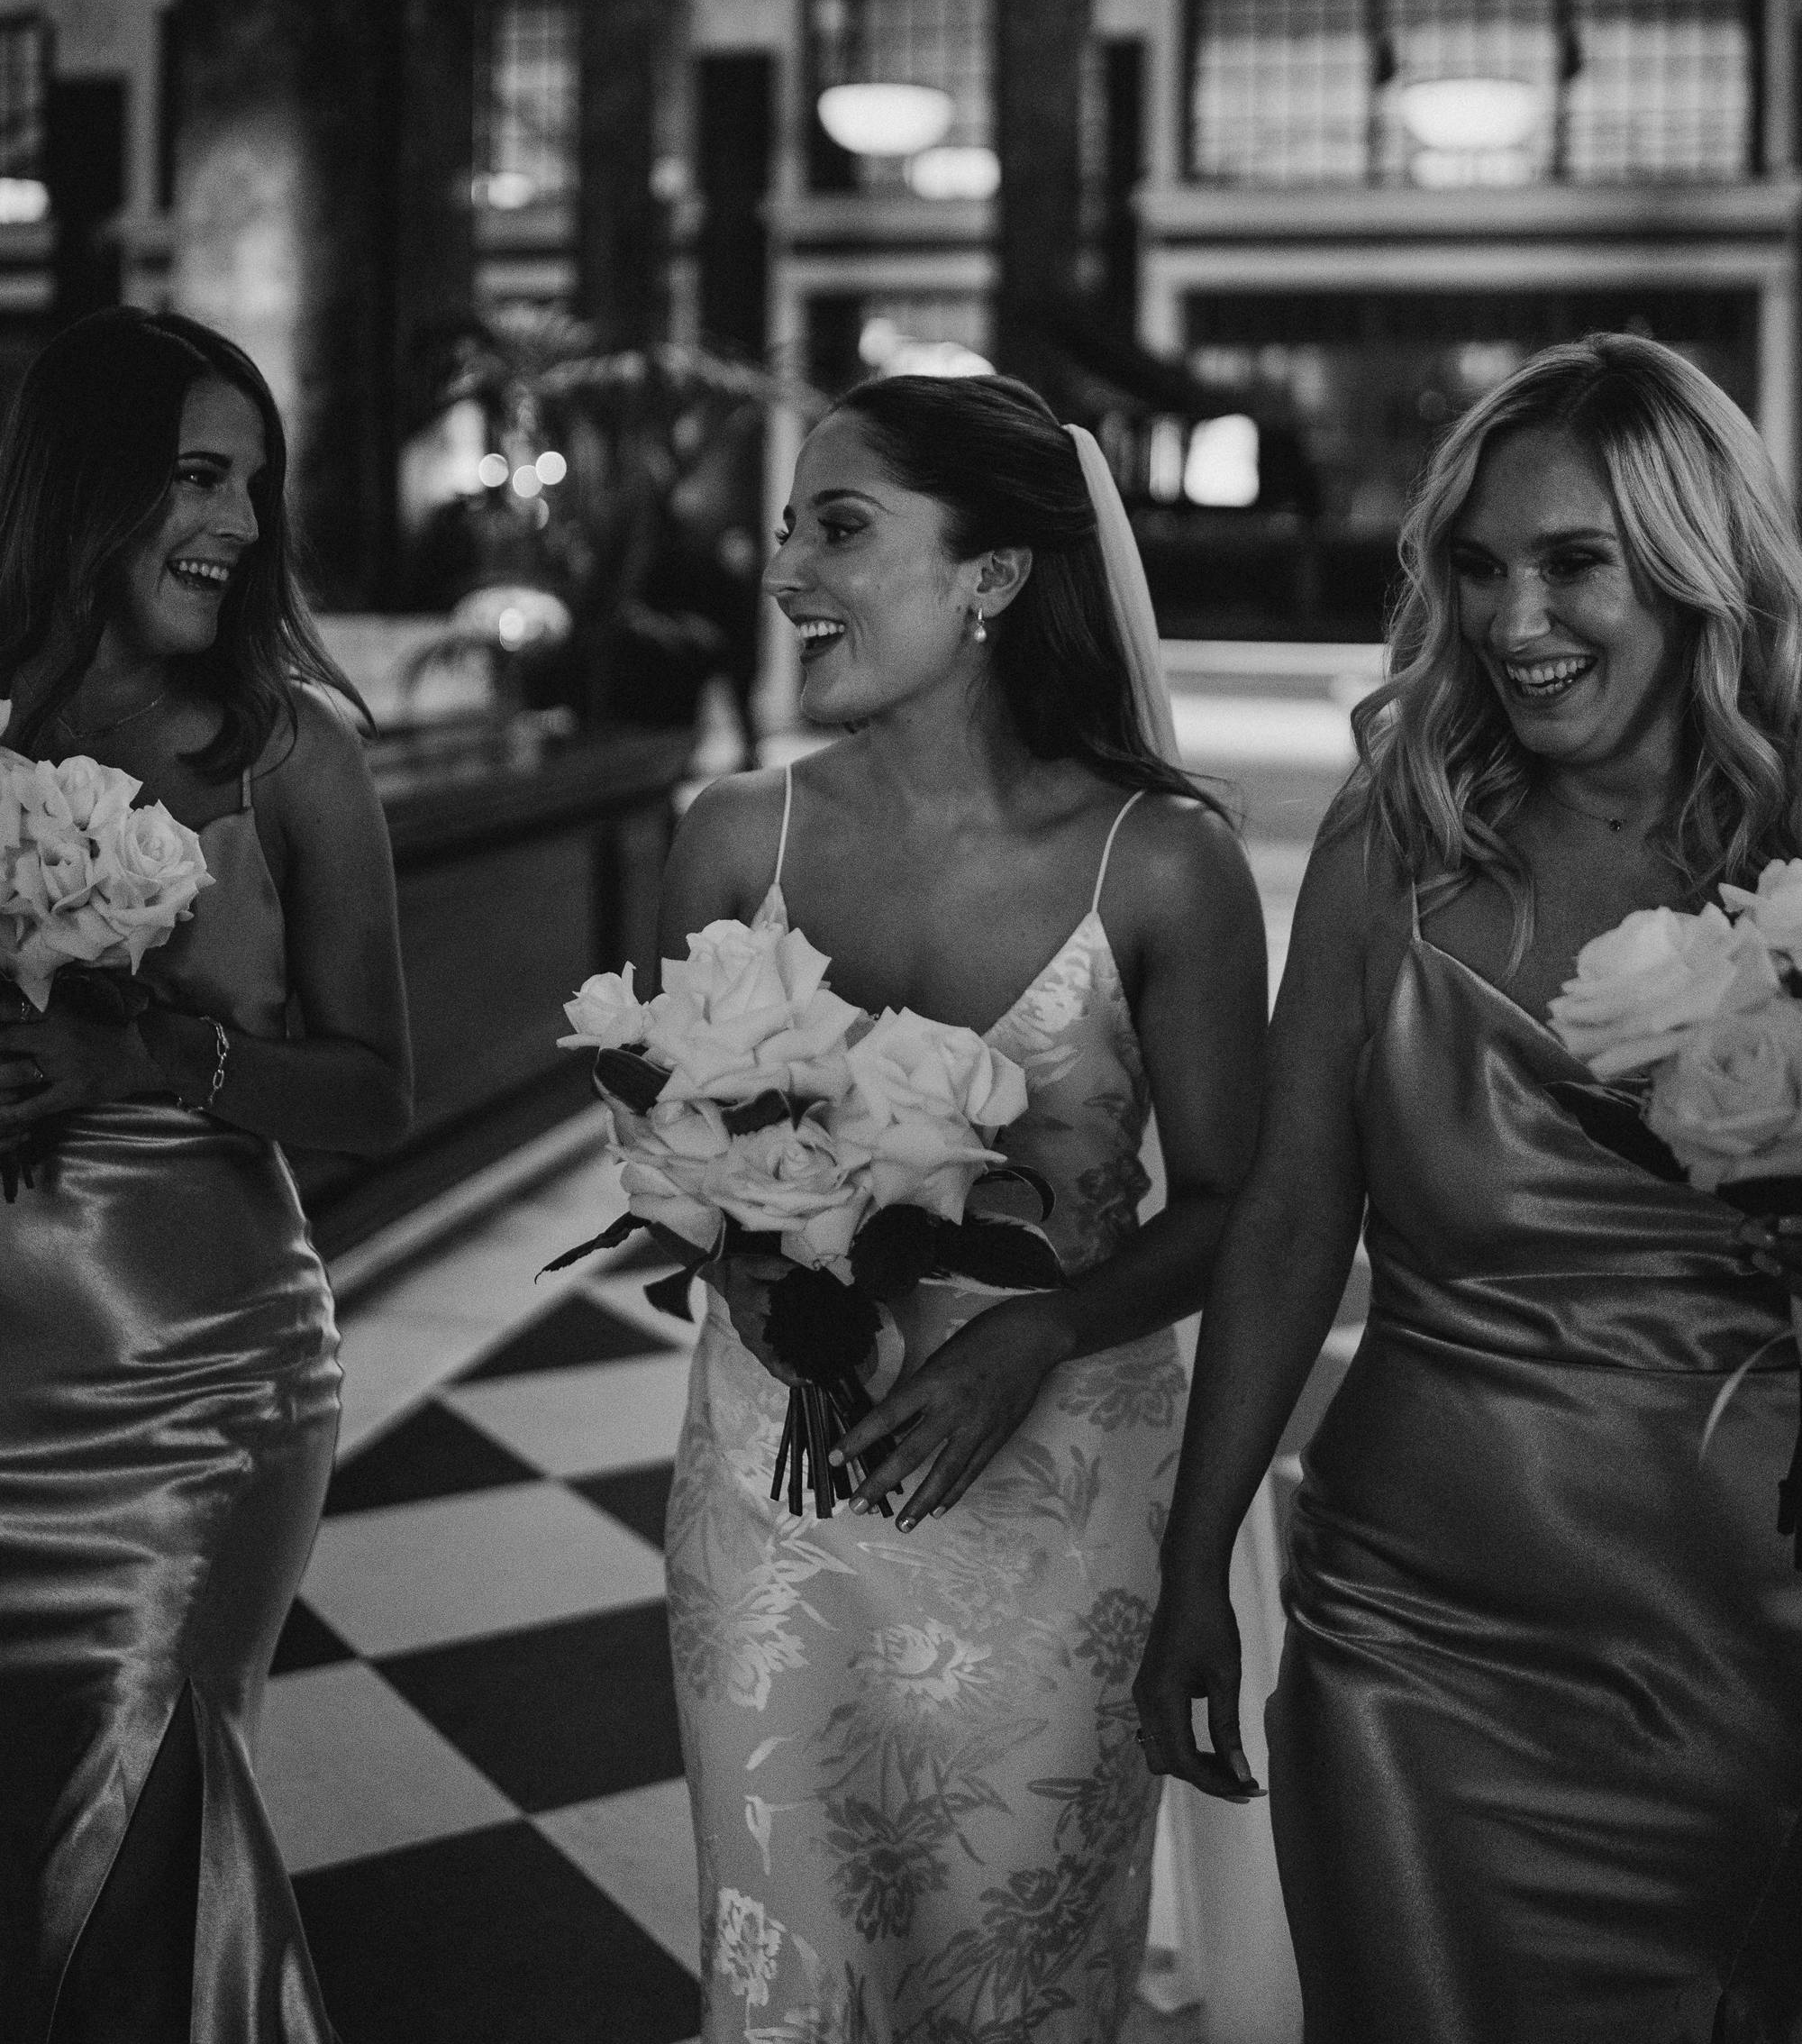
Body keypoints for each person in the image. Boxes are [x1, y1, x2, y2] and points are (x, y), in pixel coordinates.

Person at [1134, 335, 1802, 2044]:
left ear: (1693, 567)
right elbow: (1289, 1215)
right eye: (1479, 567)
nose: (1516, 623)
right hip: (1420, 1631)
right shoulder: (1398, 832)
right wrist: (1197, 1559)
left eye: (1574, 564)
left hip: (1756, 1635)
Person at [659, 372, 1268, 2043]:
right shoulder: (730, 840)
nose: (789, 569)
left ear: (994, 575)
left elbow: (1239, 1204)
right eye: (787, 529)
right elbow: (670, 1154)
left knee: (1020, 1972)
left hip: (1060, 1503)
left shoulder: (1161, 863)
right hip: (774, 1495)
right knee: (785, 1970)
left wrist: (1043, 1331)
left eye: (841, 527)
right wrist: (759, 1277)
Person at [0, 310, 413, 2044]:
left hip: (201, 1385)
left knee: (135, 1818)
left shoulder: (294, 749)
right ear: (89, 488)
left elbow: (379, 1091)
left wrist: (158, 1057)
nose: (238, 521)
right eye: (195, 473)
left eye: (254, 482)